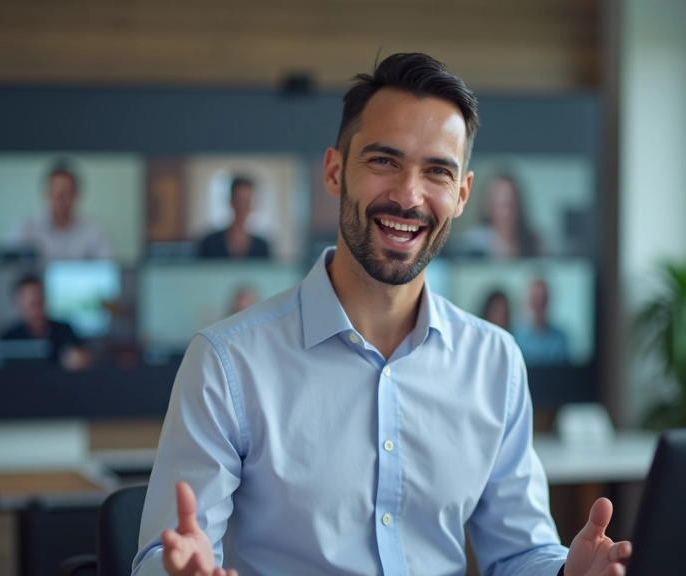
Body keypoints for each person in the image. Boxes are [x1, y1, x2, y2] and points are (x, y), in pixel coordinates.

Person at [133, 53, 630, 576]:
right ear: (334, 171)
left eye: (437, 171)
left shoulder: (495, 361)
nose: (408, 196)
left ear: (461, 195)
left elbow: (520, 552)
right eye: (384, 161)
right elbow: (159, 558)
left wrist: (564, 573)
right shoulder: (227, 363)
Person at [14, 163, 113, 261]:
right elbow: (12, 269)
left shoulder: (94, 231)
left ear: (76, 195)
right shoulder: (26, 228)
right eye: (55, 192)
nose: (60, 198)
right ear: (46, 194)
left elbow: (106, 269)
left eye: (66, 193)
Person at [0, 274, 92, 371]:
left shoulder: (65, 330)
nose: (38, 309)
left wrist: (80, 358)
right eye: (32, 304)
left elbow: (85, 356)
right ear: (19, 305)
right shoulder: (8, 338)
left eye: (41, 301)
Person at [451, 173, 541, 258]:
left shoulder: (535, 243)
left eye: (511, 203)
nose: (507, 211)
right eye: (500, 204)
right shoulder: (471, 243)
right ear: (488, 206)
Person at [198, 177, 271, 259]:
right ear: (231, 201)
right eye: (238, 200)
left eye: (247, 202)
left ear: (252, 205)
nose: (242, 207)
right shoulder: (210, 243)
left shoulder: (262, 246)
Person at [513, 278, 570, 365]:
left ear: (547, 301)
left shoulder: (559, 339)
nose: (538, 303)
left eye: (542, 299)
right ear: (529, 301)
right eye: (535, 299)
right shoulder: (517, 338)